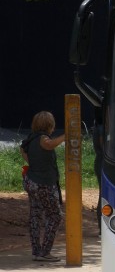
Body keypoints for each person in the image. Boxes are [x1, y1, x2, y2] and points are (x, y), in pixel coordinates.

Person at [20, 111, 65, 262]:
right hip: (43, 184)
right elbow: (49, 144)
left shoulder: (30, 139)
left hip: (31, 181)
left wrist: (34, 163)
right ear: (49, 125)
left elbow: (23, 152)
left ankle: (36, 251)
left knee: (35, 215)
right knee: (55, 216)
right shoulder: (43, 138)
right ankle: (45, 252)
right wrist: (67, 136)